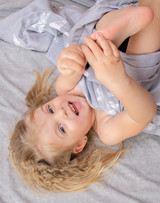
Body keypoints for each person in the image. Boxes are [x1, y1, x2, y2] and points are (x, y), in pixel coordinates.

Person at [9, 1, 159, 193]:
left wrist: (68, 58)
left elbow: (73, 59)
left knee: (81, 41)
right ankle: (144, 15)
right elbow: (144, 113)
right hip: (136, 63)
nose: (61, 111)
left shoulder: (66, 89)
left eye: (50, 109)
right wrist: (117, 80)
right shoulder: (107, 130)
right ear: (79, 144)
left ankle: (117, 29)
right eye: (61, 128)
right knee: (136, 79)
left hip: (106, 36)